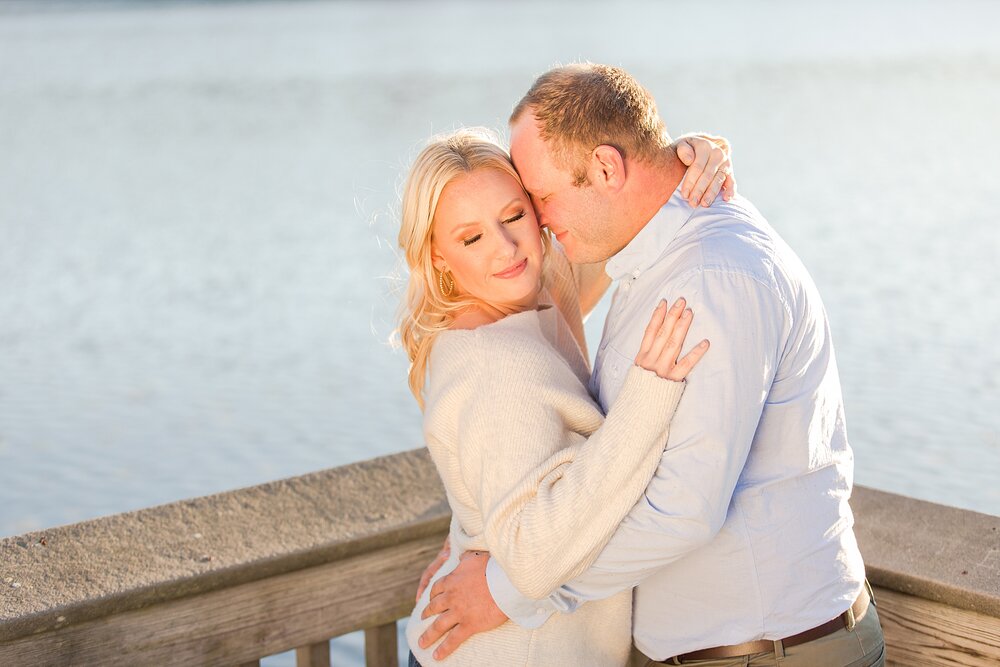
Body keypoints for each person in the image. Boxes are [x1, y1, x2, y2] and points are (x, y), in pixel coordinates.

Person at [416, 64, 886, 667]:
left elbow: (682, 508)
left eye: (538, 198)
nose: (535, 220)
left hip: (767, 649)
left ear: (608, 168)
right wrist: (473, 530)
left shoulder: (709, 279)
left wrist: (509, 591)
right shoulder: (646, 250)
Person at [397, 127, 731, 666]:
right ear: (436, 256)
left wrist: (682, 162)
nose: (505, 248)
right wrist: (647, 400)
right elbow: (532, 554)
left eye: (513, 217)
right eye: (470, 238)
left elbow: (616, 220)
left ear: (538, 211)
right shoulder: (493, 362)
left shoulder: (533, 290)